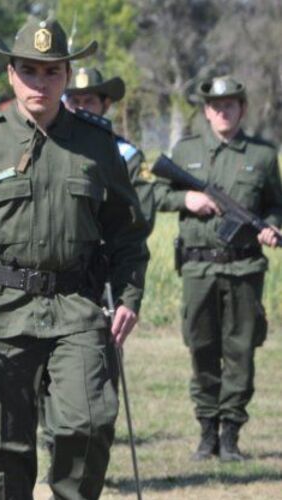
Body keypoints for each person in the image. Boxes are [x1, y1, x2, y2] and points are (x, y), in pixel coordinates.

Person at [0, 16, 149, 500]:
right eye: (28, 70)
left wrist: (128, 295)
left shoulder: (97, 144)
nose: (39, 83)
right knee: (0, 446)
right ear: (10, 74)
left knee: (87, 426)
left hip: (78, 310)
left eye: (51, 72)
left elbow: (127, 232)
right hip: (2, 311)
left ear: (66, 75)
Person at [155, 75, 281, 462]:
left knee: (241, 351)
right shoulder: (186, 149)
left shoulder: (261, 154)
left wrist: (273, 227)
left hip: (244, 269)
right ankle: (207, 432)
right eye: (215, 105)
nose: (222, 110)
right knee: (202, 349)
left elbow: (275, 204)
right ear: (207, 111)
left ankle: (231, 435)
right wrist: (188, 198)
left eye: (230, 104)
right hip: (198, 270)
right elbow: (158, 193)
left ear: (242, 108)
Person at [64, 67, 156, 232]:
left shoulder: (128, 156)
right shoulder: (55, 150)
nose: (80, 109)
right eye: (74, 102)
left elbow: (144, 216)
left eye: (89, 101)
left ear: (105, 105)